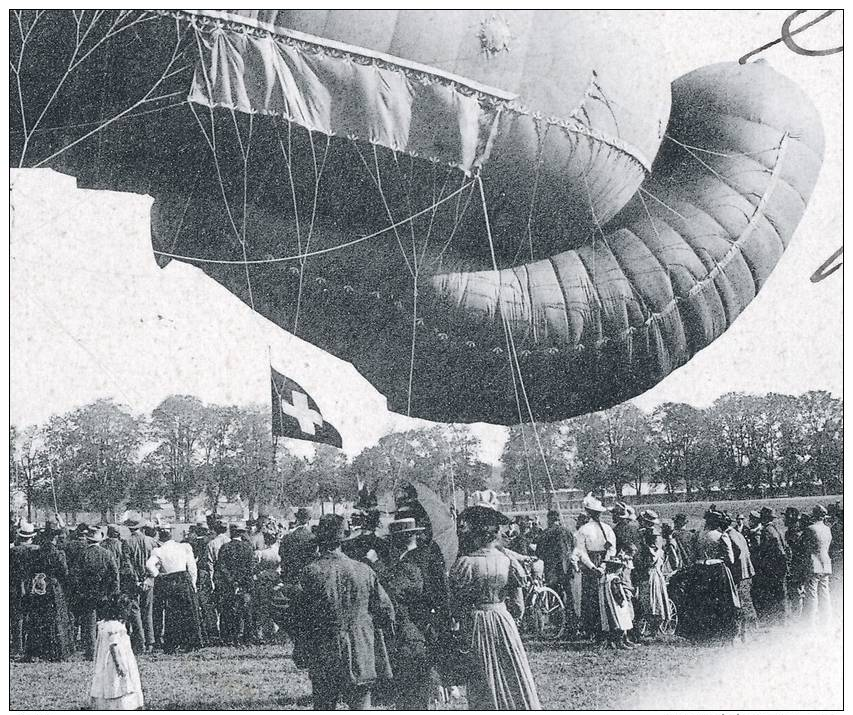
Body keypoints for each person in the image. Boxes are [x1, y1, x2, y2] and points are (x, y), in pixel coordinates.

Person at [293, 514, 395, 710]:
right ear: (343, 539)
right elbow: (386, 612)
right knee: (361, 704)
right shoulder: (364, 570)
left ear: (319, 542)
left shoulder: (310, 572)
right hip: (361, 650)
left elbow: (299, 617)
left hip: (324, 651)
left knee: (324, 704)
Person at [449, 504, 541, 710]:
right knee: (512, 667)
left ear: (474, 535)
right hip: (502, 618)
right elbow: (518, 606)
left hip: (475, 621)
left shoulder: (465, 563)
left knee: (482, 672)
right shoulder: (507, 561)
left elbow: (456, 603)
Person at [375, 517, 436, 710]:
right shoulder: (429, 556)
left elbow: (390, 595)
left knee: (411, 693)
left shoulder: (403, 567)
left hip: (408, 633)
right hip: (422, 630)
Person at [668, 508, 739, 643]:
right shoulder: (721, 535)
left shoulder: (698, 535)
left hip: (700, 570)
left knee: (702, 602)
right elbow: (731, 558)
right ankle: (722, 632)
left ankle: (703, 634)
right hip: (717, 570)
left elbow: (693, 555)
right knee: (722, 601)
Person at [146, 525, 202, 653]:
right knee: (188, 611)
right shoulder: (184, 547)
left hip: (169, 581)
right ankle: (191, 642)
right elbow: (192, 567)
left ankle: (173, 643)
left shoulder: (158, 551)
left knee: (172, 613)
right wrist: (193, 583)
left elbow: (149, 564)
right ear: (171, 534)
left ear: (160, 535)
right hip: (183, 578)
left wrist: (157, 575)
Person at [24, 521, 74, 662]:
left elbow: (31, 569)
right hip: (53, 587)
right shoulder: (58, 554)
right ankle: (56, 651)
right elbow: (64, 573)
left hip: (40, 587)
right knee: (56, 618)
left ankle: (37, 651)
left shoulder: (36, 552)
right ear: (55, 538)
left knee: (39, 618)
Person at [71, 526, 120, 660]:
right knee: (103, 623)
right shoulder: (107, 553)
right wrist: (114, 591)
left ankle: (91, 652)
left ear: (88, 539)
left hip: (87, 593)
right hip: (104, 592)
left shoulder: (82, 554)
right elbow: (114, 574)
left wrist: (79, 591)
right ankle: (104, 651)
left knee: (89, 624)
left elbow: (75, 575)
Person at [90, 594, 144, 710]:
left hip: (105, 663)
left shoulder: (104, 624)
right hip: (115, 662)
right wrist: (119, 665)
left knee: (107, 683)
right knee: (117, 683)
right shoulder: (115, 627)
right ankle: (121, 706)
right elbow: (113, 647)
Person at [573, 493, 616, 641]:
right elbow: (611, 550)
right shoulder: (606, 529)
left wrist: (594, 567)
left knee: (593, 598)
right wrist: (602, 565)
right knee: (599, 597)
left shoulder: (584, 530)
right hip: (600, 564)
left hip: (593, 566)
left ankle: (595, 630)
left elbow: (580, 552)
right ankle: (601, 629)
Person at [535, 509, 577, 636]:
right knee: (569, 596)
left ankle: (558, 624)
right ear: (558, 519)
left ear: (549, 519)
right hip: (566, 568)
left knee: (554, 597)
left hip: (552, 570)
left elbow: (539, 552)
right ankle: (572, 624)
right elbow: (574, 546)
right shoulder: (567, 532)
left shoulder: (545, 533)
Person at [216, 522, 256, 645]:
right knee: (246, 611)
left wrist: (232, 582)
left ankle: (229, 637)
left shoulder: (225, 547)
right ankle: (247, 637)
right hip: (245, 584)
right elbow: (250, 568)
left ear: (232, 532)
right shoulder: (248, 548)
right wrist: (243, 581)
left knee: (228, 609)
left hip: (229, 585)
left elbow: (221, 567)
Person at [121, 517, 157, 654]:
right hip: (149, 580)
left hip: (133, 581)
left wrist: (136, 580)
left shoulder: (126, 542)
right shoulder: (151, 541)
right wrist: (148, 578)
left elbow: (127, 564)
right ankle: (150, 641)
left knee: (135, 611)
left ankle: (139, 643)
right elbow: (156, 562)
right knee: (148, 611)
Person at [633, 515, 672, 638]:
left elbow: (654, 556)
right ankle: (650, 628)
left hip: (650, 572)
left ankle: (653, 629)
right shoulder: (648, 534)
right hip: (648, 571)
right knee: (649, 600)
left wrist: (644, 546)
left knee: (652, 601)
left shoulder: (653, 536)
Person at [724, 511, 757, 641]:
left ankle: (743, 633)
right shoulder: (737, 533)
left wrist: (729, 564)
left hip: (740, 572)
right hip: (747, 572)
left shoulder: (729, 535)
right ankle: (750, 630)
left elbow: (736, 552)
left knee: (740, 603)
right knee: (746, 602)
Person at [753, 507, 789, 623]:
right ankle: (781, 618)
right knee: (779, 592)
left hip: (773, 566)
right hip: (780, 564)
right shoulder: (775, 528)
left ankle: (775, 619)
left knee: (774, 592)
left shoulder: (766, 530)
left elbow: (763, 550)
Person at [11, 520, 39, 655]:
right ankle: (31, 645)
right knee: (32, 615)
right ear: (32, 537)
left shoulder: (13, 551)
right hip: (34, 585)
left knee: (17, 617)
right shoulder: (36, 550)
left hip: (15, 587)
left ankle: (18, 646)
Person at [802, 504, 833, 627]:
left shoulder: (810, 529)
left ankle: (810, 623)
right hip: (826, 563)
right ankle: (826, 621)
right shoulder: (827, 529)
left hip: (814, 563)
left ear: (814, 515)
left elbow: (804, 546)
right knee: (825, 594)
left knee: (812, 595)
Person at [253, 531, 282, 644]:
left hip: (263, 582)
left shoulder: (260, 553)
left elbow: (255, 568)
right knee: (274, 608)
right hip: (275, 582)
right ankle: (274, 632)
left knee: (262, 608)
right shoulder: (278, 553)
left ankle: (261, 634)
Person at [598, 558, 634, 649]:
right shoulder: (614, 579)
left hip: (608, 604)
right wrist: (621, 601)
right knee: (620, 621)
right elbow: (616, 592)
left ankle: (612, 642)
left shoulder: (605, 578)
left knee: (612, 622)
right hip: (616, 605)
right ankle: (619, 642)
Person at [783, 507, 809, 618]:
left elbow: (795, 551)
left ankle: (797, 615)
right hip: (797, 565)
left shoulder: (793, 532)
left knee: (796, 590)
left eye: (785, 517)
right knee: (797, 590)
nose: (783, 519)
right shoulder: (795, 531)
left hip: (797, 565)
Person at [279, 508, 316, 583]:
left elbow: (281, 553)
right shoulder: (312, 538)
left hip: (290, 574)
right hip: (306, 576)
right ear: (309, 519)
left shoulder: (288, 536)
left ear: (297, 519)